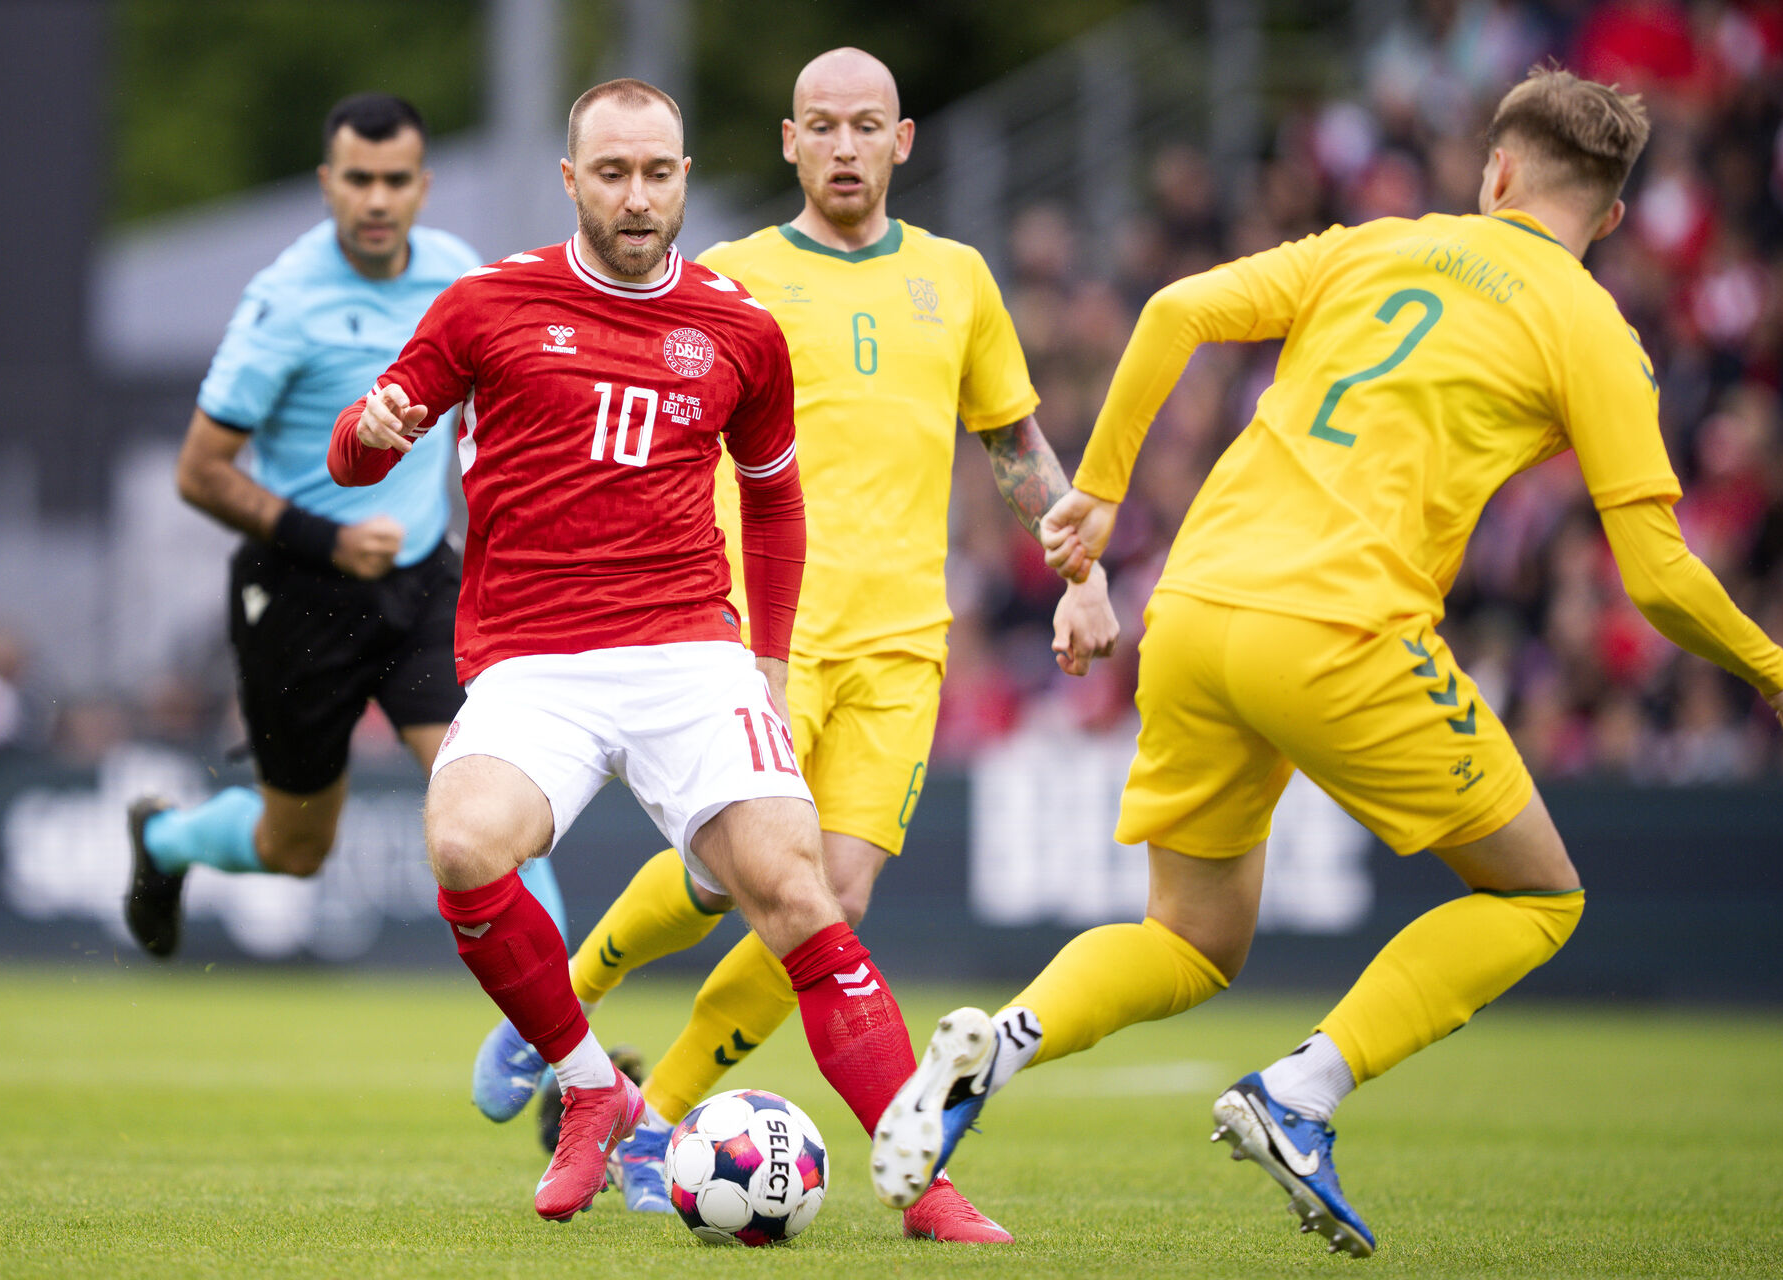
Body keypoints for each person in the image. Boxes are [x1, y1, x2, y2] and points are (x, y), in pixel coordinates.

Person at [870, 66, 1783, 1257]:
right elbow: (1660, 574)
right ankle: (1301, 1090)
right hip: (1341, 629)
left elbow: (1172, 314)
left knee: (1193, 937)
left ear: (1496, 172)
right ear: (1611, 220)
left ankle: (1003, 1040)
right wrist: (1772, 669)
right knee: (1539, 894)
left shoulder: (1379, 244)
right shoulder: (1591, 327)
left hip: (1196, 609)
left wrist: (1097, 495)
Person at [468, 47, 1118, 1242]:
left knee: (835, 897)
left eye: (867, 127)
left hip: (901, 640)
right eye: (822, 127)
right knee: (740, 879)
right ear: (787, 141)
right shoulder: (733, 278)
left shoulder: (959, 279)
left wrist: (1080, 573)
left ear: (903, 140)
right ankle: (568, 998)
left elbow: (1014, 445)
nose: (845, 147)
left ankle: (650, 1111)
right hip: (759, 633)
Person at [329, 77, 936, 1229]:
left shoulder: (740, 328)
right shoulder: (484, 306)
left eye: (658, 171)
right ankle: (593, 1085)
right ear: (572, 181)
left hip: (689, 655)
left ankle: (928, 1184)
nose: (637, 193)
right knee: (461, 846)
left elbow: (777, 506)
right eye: (612, 172)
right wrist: (372, 435)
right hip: (532, 660)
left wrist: (768, 657)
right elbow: (356, 452)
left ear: (686, 178)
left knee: (800, 893)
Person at [123, 93, 566, 960]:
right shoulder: (284, 302)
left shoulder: (456, 274)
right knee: (297, 846)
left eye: (394, 180)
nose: (376, 200)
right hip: (299, 592)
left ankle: (561, 1063)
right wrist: (328, 539)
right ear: (327, 183)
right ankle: (165, 842)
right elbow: (198, 471)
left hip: (422, 586)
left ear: (423, 186)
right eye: (357, 179)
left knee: (494, 795)